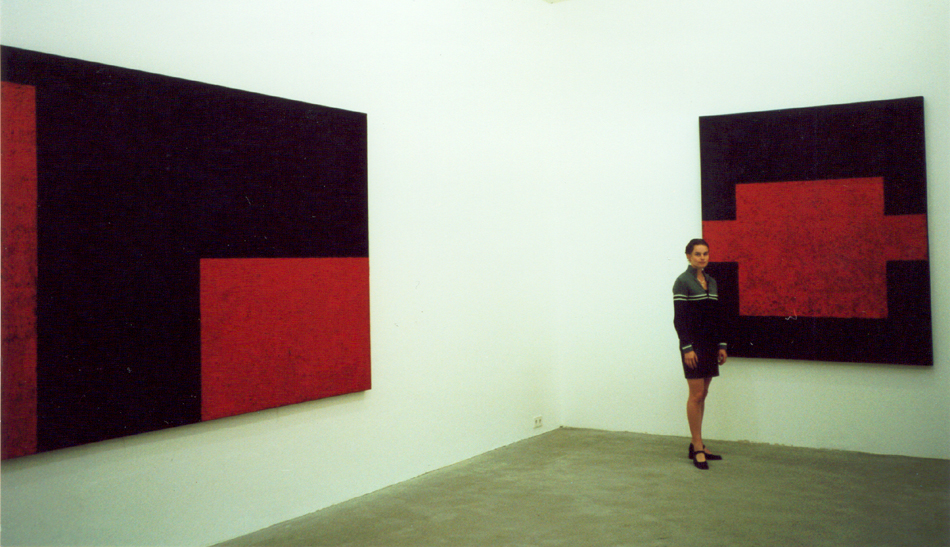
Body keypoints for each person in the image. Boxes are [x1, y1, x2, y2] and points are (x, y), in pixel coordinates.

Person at [672, 238, 728, 470]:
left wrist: (721, 344)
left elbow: (717, 317)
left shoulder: (711, 282)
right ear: (688, 256)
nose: (702, 257)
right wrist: (687, 348)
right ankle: (696, 447)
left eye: (705, 253)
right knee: (695, 395)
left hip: (710, 345)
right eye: (697, 254)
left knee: (703, 394)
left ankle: (699, 442)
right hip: (693, 346)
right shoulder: (682, 282)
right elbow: (679, 319)